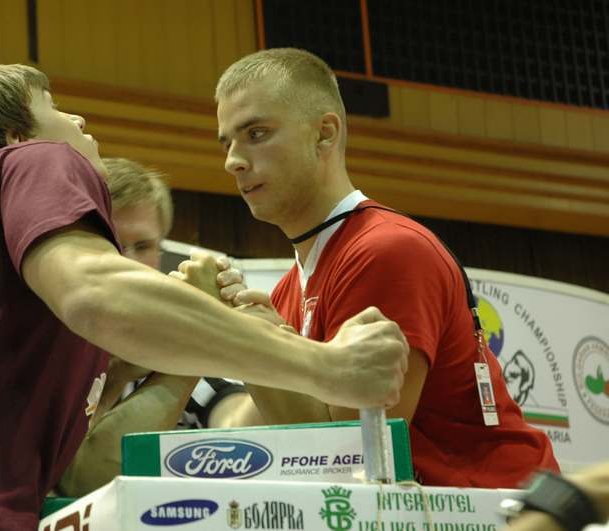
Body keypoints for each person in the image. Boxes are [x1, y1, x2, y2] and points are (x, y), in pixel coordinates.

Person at [0, 64, 409, 530]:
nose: (77, 119)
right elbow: (95, 292)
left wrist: (174, 339)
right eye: (54, 106)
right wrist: (330, 367)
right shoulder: (32, 160)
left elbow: (80, 456)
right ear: (18, 139)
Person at [203, 47, 559, 488]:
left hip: (506, 510)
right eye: (227, 143)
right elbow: (269, 439)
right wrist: (215, 334)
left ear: (325, 134)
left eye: (256, 133)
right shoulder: (286, 292)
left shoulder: (387, 250)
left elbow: (352, 454)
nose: (232, 161)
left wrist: (251, 340)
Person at [55, 158, 262, 496]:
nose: (129, 262)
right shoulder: (47, 354)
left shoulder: (179, 364)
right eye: (112, 244)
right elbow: (77, 483)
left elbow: (240, 429)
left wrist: (254, 336)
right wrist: (194, 338)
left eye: (143, 246)